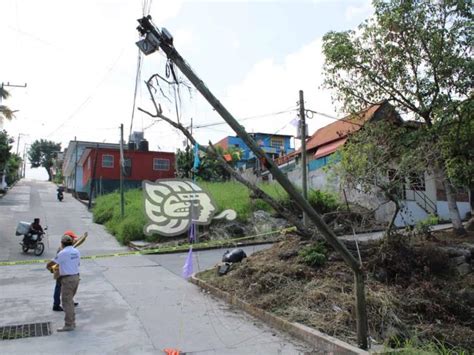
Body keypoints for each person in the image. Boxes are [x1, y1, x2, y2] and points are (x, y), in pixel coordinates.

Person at [46, 235, 81, 332]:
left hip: (67, 279)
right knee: (70, 301)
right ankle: (72, 322)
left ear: (62, 243)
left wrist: (50, 268)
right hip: (76, 278)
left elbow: (50, 264)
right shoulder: (76, 251)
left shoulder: (63, 253)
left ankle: (69, 324)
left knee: (66, 303)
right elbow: (77, 264)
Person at [52, 230, 79, 311]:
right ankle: (56, 305)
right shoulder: (62, 250)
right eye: (72, 238)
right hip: (61, 271)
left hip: (67, 271)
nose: (73, 240)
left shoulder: (68, 248)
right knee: (59, 287)